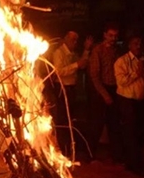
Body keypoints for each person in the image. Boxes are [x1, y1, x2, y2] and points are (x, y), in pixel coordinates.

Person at [51, 31, 92, 160]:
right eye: (73, 40)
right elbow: (58, 71)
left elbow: (81, 63)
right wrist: (76, 65)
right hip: (62, 88)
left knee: (70, 118)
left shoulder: (73, 54)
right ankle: (62, 148)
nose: (75, 43)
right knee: (63, 118)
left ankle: (69, 147)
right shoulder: (59, 53)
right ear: (66, 39)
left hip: (71, 88)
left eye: (76, 40)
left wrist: (86, 49)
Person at [114, 33, 144, 174]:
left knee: (141, 131)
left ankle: (137, 161)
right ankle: (133, 163)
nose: (138, 46)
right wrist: (137, 73)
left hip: (142, 101)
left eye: (140, 44)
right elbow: (122, 82)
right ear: (129, 45)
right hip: (127, 100)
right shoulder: (121, 62)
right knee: (130, 131)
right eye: (135, 43)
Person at [88, 23, 121, 162]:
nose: (113, 38)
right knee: (97, 124)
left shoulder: (117, 50)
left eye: (115, 36)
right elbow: (94, 76)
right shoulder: (98, 50)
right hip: (101, 89)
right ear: (104, 35)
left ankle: (115, 155)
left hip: (115, 88)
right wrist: (104, 94)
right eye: (110, 35)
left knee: (114, 123)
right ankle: (90, 154)